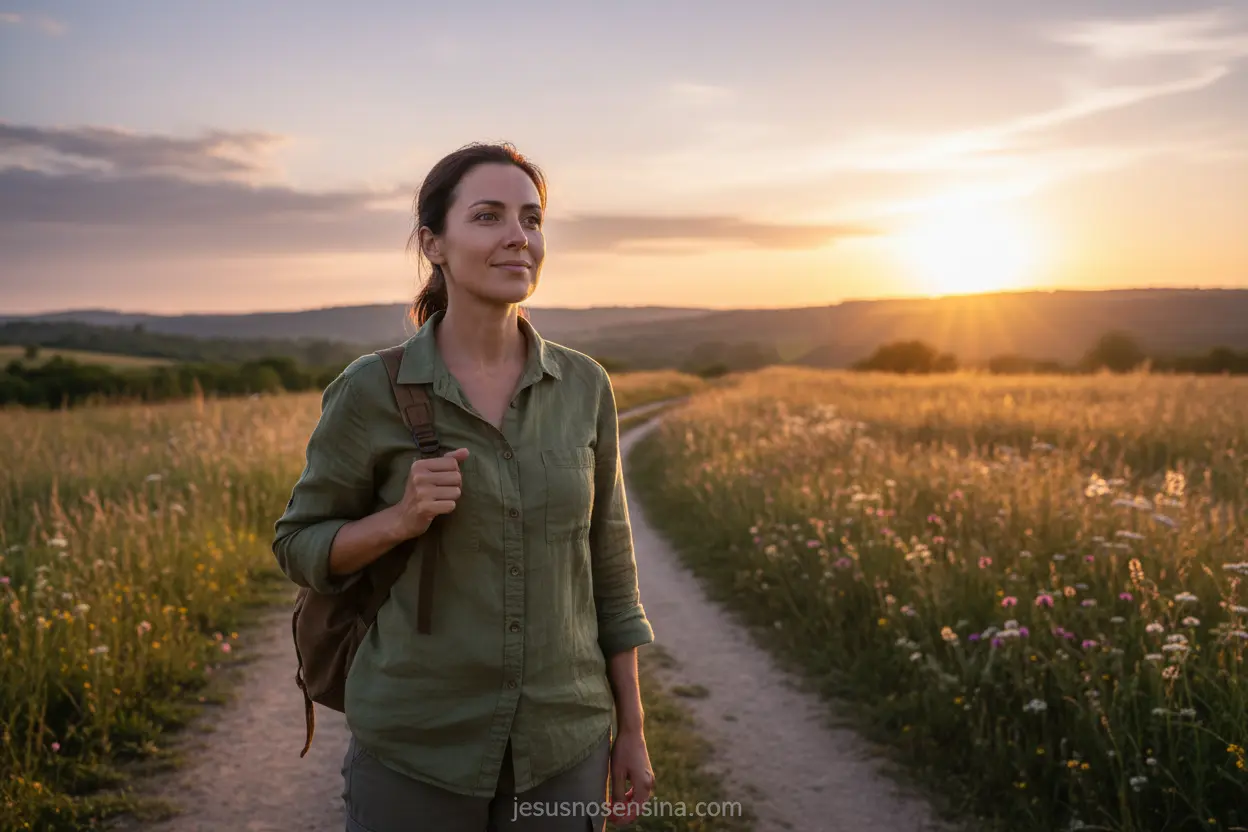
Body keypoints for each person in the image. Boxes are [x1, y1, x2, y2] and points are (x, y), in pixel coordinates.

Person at [271, 142, 657, 832]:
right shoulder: (371, 390)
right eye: (488, 216)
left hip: (563, 743)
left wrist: (631, 728)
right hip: (418, 746)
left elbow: (610, 571)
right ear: (434, 244)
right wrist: (397, 520)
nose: (519, 237)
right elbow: (298, 545)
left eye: (532, 219)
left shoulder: (584, 387)